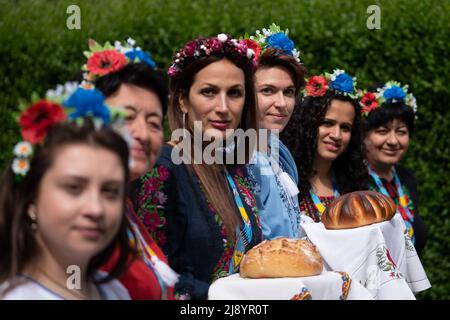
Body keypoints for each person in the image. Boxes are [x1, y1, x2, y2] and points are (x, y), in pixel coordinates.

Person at [132, 33, 263, 299]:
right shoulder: (162, 169)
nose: (223, 107)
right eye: (209, 92)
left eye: (235, 93)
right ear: (182, 100)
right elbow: (155, 275)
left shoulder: (234, 168)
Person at [0, 89, 133, 299]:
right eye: (74, 188)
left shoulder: (116, 292)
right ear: (31, 199)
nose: (95, 208)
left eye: (110, 191)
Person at [81, 38, 178, 299]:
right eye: (126, 117)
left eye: (154, 122)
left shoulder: (123, 206)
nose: (143, 134)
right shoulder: (79, 215)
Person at [243, 24, 308, 239]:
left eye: (288, 92)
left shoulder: (280, 151)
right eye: (267, 91)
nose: (281, 103)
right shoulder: (234, 155)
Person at [282, 69, 370, 222]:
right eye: (327, 123)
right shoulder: (285, 178)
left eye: (345, 128)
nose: (336, 135)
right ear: (308, 124)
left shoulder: (354, 184)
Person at [360, 81, 427, 255]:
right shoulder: (353, 179)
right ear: (364, 134)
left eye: (401, 132)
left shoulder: (406, 178)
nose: (393, 141)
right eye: (382, 131)